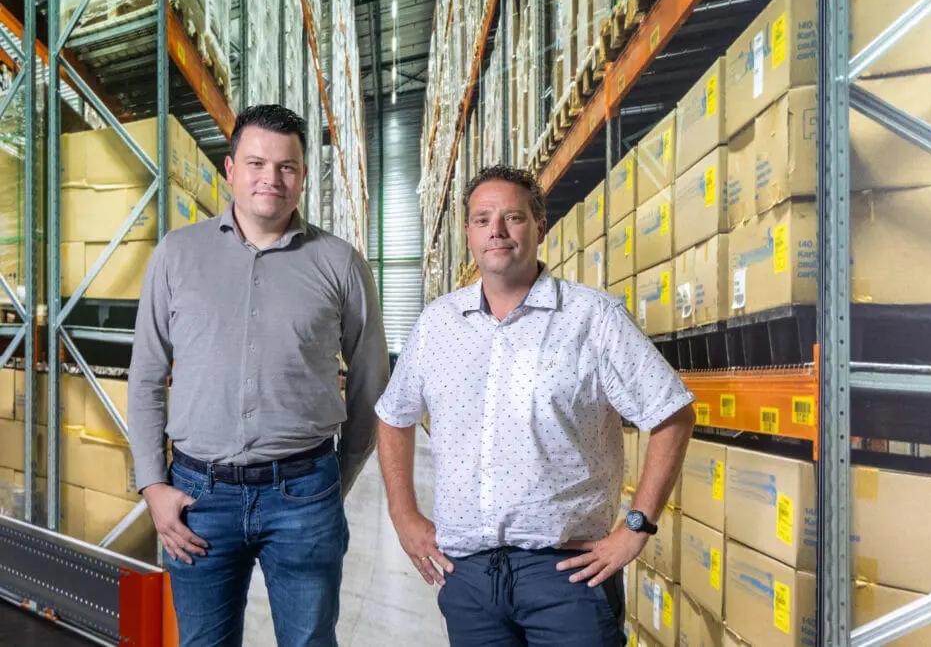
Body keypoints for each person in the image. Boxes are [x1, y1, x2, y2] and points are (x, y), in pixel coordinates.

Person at [375, 165, 696, 646]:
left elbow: (672, 413)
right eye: (482, 220)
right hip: (468, 575)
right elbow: (392, 417)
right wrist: (403, 514)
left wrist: (637, 526)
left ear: (540, 227)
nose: (496, 231)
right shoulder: (438, 324)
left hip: (567, 573)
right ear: (468, 233)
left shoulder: (592, 318)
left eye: (513, 218)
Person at [127, 104, 390, 647]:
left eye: (286, 166)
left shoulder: (340, 263)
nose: (271, 178)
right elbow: (147, 374)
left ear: (302, 175)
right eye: (256, 163)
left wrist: (334, 480)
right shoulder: (177, 255)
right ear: (230, 169)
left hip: (304, 493)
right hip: (198, 499)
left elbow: (372, 383)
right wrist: (153, 484)